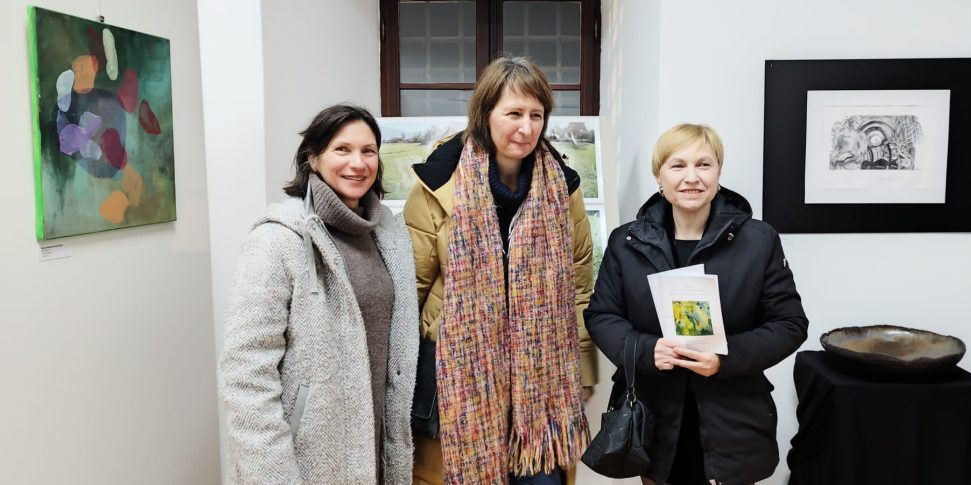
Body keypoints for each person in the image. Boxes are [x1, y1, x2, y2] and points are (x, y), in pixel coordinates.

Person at [404, 55, 597, 484]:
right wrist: (400, 379)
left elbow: (579, 286)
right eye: (513, 114)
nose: (525, 128)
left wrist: (583, 370)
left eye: (536, 115)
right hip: (461, 374)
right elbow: (411, 288)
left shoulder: (563, 188)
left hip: (543, 381)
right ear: (485, 114)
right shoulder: (438, 184)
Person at [584, 124, 808, 484]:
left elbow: (789, 324)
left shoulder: (759, 240)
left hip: (732, 419)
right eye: (678, 165)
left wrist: (724, 358)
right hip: (653, 418)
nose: (692, 177)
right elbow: (601, 315)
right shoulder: (626, 242)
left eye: (704, 164)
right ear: (659, 176)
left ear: (718, 173)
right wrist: (646, 350)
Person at [220, 104, 419, 484]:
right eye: (342, 149)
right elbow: (246, 375)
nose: (357, 163)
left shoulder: (389, 236)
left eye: (368, 151)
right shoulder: (277, 239)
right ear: (312, 158)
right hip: (309, 462)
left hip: (376, 451)